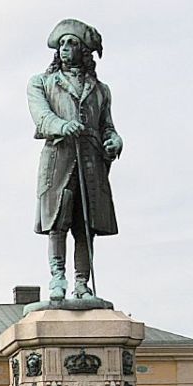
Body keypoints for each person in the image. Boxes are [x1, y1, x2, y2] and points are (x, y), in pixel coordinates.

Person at [27, 18, 123, 302]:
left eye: (73, 44)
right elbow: (42, 116)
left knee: (86, 225)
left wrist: (115, 140)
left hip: (92, 163)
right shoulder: (42, 83)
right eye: (62, 44)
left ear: (84, 51)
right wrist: (60, 125)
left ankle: (82, 283)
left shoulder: (101, 90)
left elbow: (107, 126)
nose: (66, 48)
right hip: (59, 160)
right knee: (58, 221)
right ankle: (58, 279)